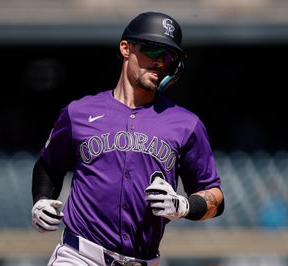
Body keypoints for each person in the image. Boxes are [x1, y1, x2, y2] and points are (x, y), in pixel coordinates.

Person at [31, 11, 224, 266]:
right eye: (154, 51)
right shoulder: (79, 112)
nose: (160, 63)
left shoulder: (186, 124)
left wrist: (184, 205)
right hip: (80, 256)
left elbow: (215, 197)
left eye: (169, 57)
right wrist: (41, 201)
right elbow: (49, 165)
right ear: (126, 48)